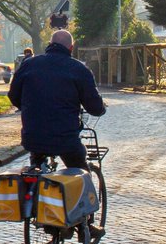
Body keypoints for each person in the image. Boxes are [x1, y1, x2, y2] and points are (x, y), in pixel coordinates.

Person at [7, 29, 105, 171]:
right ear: (71, 48)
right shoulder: (79, 69)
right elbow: (94, 107)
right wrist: (101, 108)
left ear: (49, 44)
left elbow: (13, 95)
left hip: (33, 137)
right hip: (65, 138)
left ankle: (33, 186)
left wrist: (30, 106)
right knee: (80, 170)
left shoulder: (28, 65)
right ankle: (83, 187)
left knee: (36, 168)